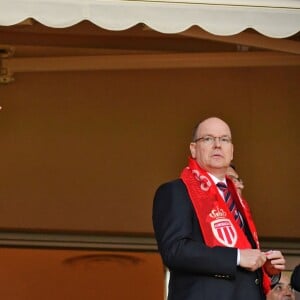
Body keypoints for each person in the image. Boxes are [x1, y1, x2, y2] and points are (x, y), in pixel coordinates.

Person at [152, 117, 286, 300]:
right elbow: (175, 250)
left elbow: (244, 259)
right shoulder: (177, 191)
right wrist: (237, 257)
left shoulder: (236, 198)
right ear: (193, 149)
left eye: (224, 139)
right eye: (208, 138)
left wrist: (265, 268)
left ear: (231, 151)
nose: (217, 145)